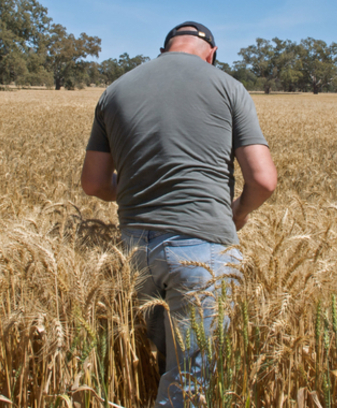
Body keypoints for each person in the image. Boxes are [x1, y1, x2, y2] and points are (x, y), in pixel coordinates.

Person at [81, 21, 278, 408]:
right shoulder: (227, 86)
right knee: (187, 385)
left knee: (159, 368)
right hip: (201, 250)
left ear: (164, 49)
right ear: (212, 54)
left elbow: (94, 183)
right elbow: (263, 180)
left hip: (136, 250)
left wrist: (141, 187)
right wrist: (238, 212)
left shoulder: (115, 90)